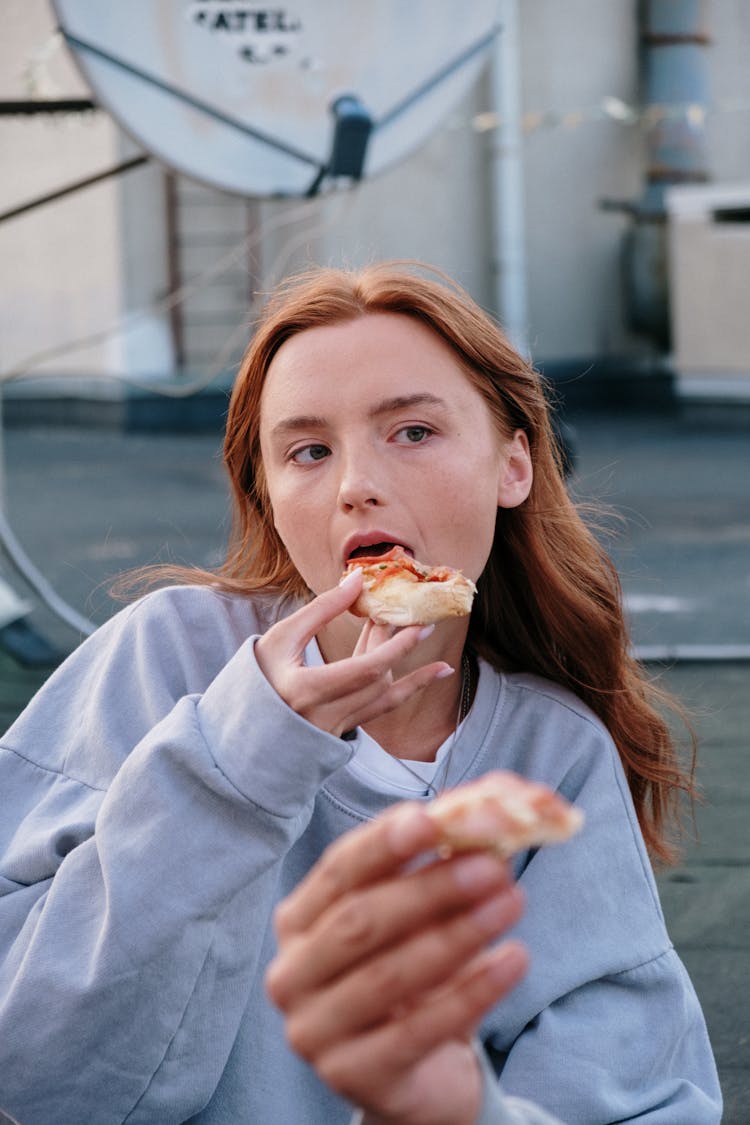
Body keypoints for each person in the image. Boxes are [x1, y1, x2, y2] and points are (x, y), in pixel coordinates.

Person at [0, 262, 721, 1125]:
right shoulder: (161, 659)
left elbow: (637, 1101)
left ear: (513, 464)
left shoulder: (551, 756)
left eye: (412, 431)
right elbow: (39, 1080)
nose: (354, 485)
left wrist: (461, 1110)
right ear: (269, 496)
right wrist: (241, 760)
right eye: (308, 450)